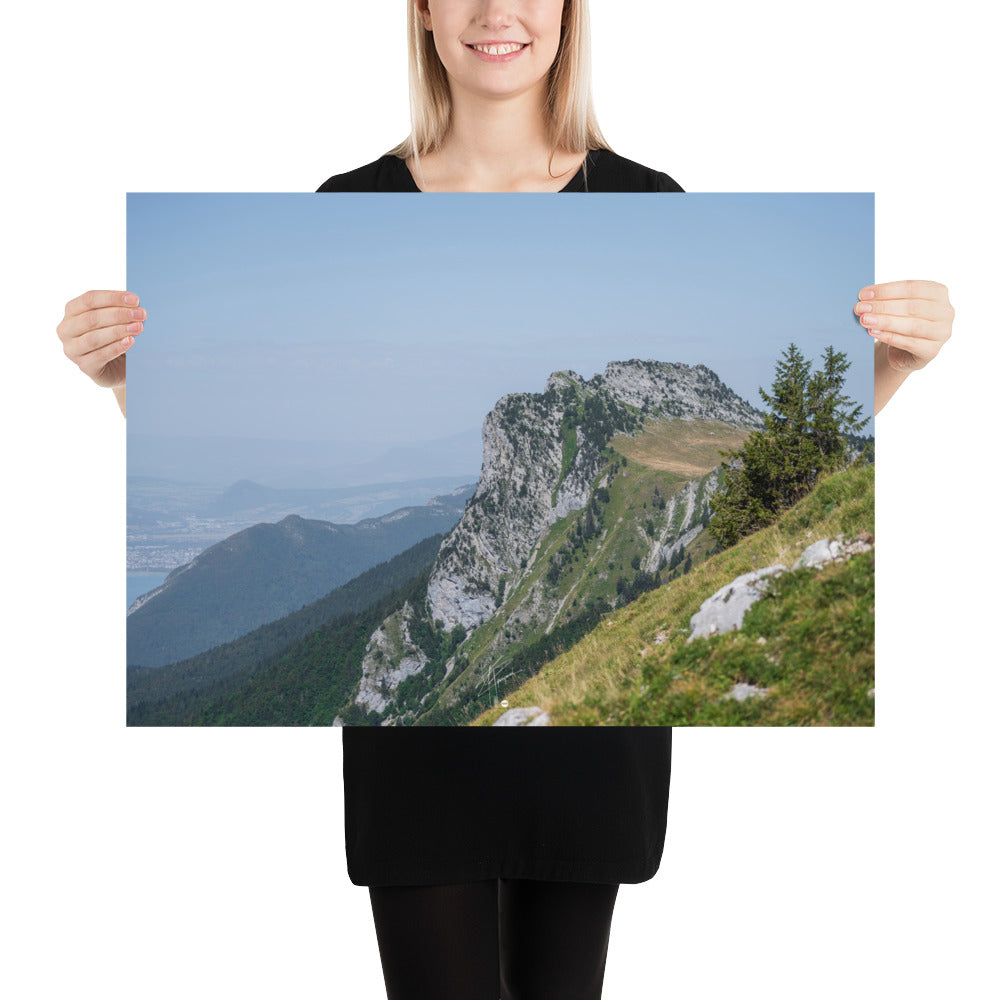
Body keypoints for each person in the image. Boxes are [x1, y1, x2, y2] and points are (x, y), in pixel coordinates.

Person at [54, 2, 954, 998]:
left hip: (590, 758)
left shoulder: (649, 199)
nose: (497, 12)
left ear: (570, 13)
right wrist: (124, 381)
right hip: (419, 776)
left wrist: (893, 367)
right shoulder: (347, 201)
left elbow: (778, 466)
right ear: (424, 13)